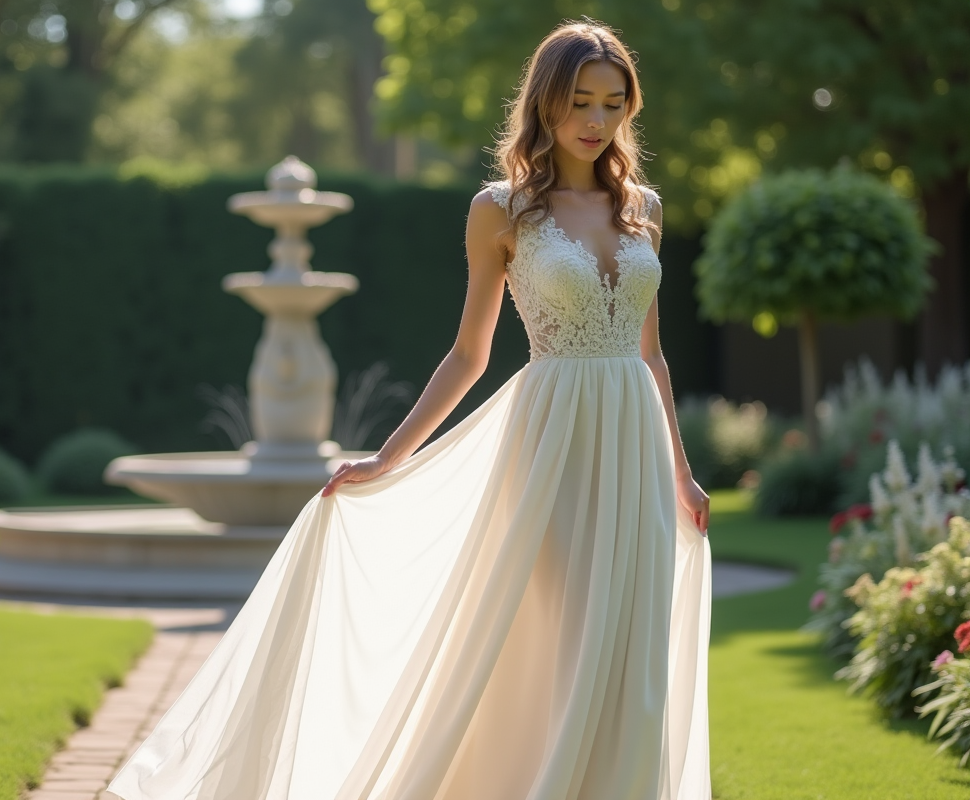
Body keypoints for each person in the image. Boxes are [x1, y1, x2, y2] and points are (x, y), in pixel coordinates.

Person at [109, 19, 713, 800]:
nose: (596, 122)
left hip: (633, 437)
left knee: (633, 635)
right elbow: (470, 353)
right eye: (579, 102)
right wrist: (386, 459)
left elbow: (651, 353)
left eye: (612, 103)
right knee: (564, 632)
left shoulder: (645, 208)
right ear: (546, 103)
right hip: (552, 435)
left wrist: (684, 474)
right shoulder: (502, 211)